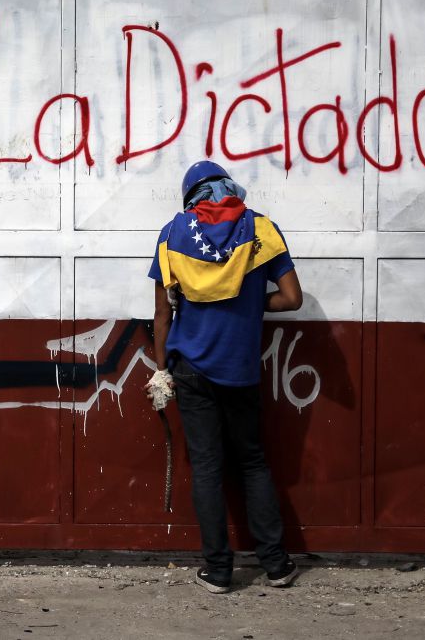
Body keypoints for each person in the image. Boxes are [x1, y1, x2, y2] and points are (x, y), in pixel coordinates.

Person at [144, 160, 303, 594]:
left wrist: (162, 371)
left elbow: (162, 314)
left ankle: (218, 571)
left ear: (191, 195)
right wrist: (250, 305)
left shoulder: (173, 234)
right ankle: (276, 566)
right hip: (240, 369)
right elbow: (291, 298)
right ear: (229, 187)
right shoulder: (261, 230)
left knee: (208, 468)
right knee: (252, 462)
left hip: (190, 369)